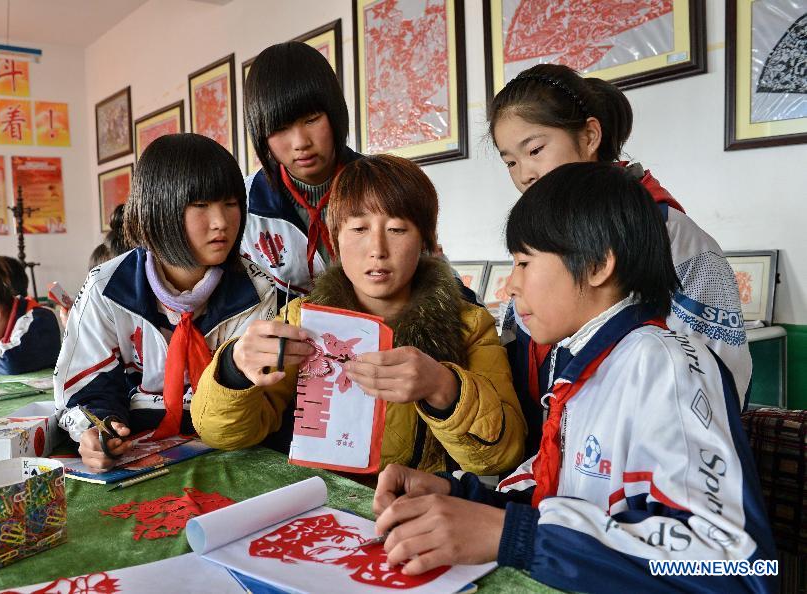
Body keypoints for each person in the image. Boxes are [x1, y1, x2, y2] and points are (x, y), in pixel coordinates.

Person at [372, 162, 776, 593]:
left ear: (599, 264)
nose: (511, 286)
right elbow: (567, 498)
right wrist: (461, 498)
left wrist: (515, 536)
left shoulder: (663, 366)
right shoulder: (587, 364)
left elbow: (736, 573)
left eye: (525, 262)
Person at [192, 155, 525, 475]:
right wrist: (233, 369)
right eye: (359, 229)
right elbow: (223, 434)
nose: (377, 249)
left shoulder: (469, 325)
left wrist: (442, 386)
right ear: (334, 239)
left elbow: (502, 455)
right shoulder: (301, 321)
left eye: (396, 229)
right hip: (315, 500)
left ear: (425, 240)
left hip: (410, 509)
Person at [489, 64, 751, 451]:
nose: (524, 174)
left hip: (640, 467)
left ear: (590, 135)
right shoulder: (537, 239)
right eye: (510, 161)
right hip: (547, 466)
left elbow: (713, 382)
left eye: (535, 150)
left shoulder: (671, 236)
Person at [53, 134, 276, 472]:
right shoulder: (107, 288)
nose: (221, 222)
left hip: (233, 455)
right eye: (200, 205)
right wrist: (100, 431)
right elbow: (86, 389)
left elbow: (263, 403)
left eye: (231, 203)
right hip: (136, 453)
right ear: (158, 208)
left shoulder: (258, 291)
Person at [241, 41, 358, 300]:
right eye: (280, 128)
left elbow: (435, 275)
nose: (300, 143)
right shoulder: (242, 204)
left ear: (335, 112)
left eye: (311, 119)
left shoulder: (384, 183)